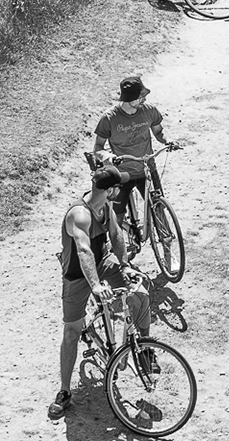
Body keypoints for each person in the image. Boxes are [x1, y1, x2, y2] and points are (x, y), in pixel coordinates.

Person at [51, 164, 152, 422]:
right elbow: (83, 250)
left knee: (140, 292)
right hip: (77, 275)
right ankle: (64, 391)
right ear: (112, 190)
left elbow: (116, 235)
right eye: (119, 187)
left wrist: (125, 265)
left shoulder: (106, 207)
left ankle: (144, 349)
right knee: (71, 332)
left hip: (103, 263)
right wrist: (95, 285)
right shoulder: (79, 215)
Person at [92, 75, 179, 253]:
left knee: (158, 205)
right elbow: (98, 148)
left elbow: (159, 132)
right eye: (140, 97)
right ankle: (119, 253)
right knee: (117, 215)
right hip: (122, 173)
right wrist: (109, 157)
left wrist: (168, 140)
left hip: (147, 168)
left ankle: (167, 244)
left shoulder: (149, 111)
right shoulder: (109, 118)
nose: (144, 99)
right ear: (129, 98)